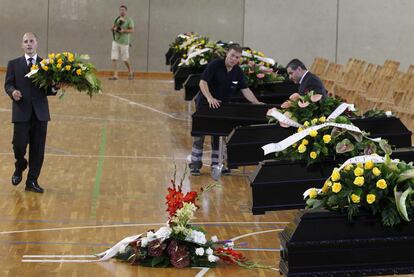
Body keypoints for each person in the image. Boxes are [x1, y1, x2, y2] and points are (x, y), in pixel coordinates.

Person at [189, 44, 262, 180]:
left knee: (218, 136)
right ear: (227, 53)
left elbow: (246, 90)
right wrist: (210, 98)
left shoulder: (238, 72)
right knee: (200, 134)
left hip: (222, 107)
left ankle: (217, 165)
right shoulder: (215, 65)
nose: (234, 59)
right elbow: (202, 83)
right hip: (205, 103)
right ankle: (195, 164)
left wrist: (257, 103)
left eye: (237, 57)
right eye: (232, 55)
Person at [4, 32, 60, 193]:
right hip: (21, 112)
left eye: (31, 41)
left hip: (40, 113)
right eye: (25, 41)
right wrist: (12, 91)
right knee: (19, 146)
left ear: (37, 44)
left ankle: (32, 181)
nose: (28, 44)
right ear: (22, 45)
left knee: (38, 149)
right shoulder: (13, 64)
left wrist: (56, 87)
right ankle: (20, 164)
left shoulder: (46, 64)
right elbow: (8, 84)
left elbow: (49, 89)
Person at [109, 5, 135, 80]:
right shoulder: (117, 19)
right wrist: (114, 29)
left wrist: (123, 30)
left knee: (125, 59)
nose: (122, 11)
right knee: (114, 58)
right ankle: (115, 75)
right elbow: (112, 28)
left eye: (123, 10)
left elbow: (132, 30)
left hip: (124, 42)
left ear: (126, 11)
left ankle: (130, 72)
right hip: (115, 41)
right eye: (120, 10)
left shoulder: (129, 20)